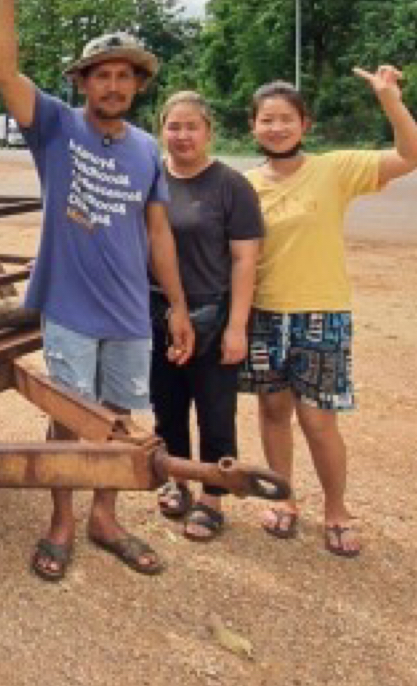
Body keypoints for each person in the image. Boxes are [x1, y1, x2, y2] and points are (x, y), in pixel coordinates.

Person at [0, 0, 197, 583]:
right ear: (83, 82)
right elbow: (1, 73)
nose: (111, 85)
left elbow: (157, 234)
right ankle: (61, 521)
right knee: (68, 419)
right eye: (101, 75)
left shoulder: (144, 151)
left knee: (117, 420)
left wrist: (179, 310)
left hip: (131, 312)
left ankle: (105, 518)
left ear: (135, 86)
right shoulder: (54, 126)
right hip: (72, 308)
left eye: (122, 77)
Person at [239, 68, 417, 558]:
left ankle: (337, 509)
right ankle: (283, 498)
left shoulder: (336, 170)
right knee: (272, 410)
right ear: (253, 127)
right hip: (264, 313)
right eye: (266, 119)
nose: (276, 127)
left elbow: (413, 156)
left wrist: (389, 100)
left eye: (286, 119)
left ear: (305, 124)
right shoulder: (243, 186)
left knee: (318, 419)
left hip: (321, 313)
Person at [149, 91, 264, 542]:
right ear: (162, 131)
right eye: (173, 127)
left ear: (208, 132)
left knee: (216, 409)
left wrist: (236, 326)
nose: (182, 136)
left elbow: (244, 260)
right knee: (168, 405)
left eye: (191, 127)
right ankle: (178, 480)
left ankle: (213, 495)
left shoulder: (230, 186)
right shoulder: (152, 179)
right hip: (158, 310)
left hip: (213, 313)